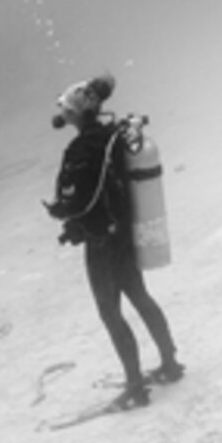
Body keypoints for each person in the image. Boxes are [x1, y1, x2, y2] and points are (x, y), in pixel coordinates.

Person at [44, 72, 181, 409]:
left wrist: (61, 214)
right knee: (139, 295)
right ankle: (170, 363)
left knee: (109, 311)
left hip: (101, 242)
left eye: (66, 110)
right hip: (123, 234)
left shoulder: (82, 148)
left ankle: (135, 387)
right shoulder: (113, 136)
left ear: (75, 113)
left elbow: (78, 201)